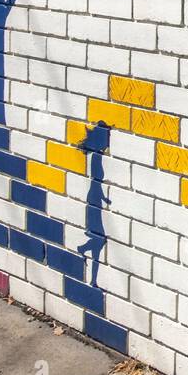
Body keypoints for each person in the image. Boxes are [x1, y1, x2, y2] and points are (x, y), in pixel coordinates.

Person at [75, 122, 111, 289]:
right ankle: (82, 248)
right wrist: (102, 197)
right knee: (100, 239)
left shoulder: (98, 155)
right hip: (94, 199)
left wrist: (104, 198)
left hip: (95, 197)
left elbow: (95, 182)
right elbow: (95, 181)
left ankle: (93, 281)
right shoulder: (97, 157)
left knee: (98, 241)